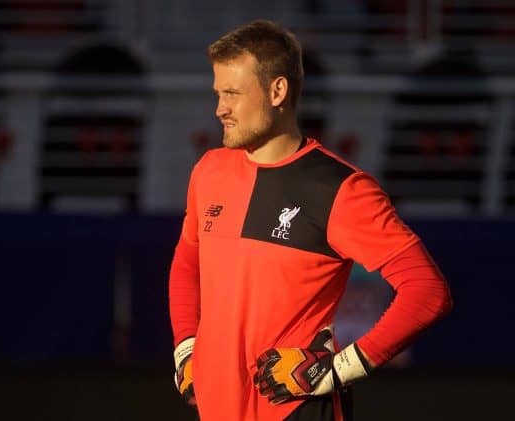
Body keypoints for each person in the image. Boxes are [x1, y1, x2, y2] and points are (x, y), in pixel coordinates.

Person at [169, 20, 453, 421]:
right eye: (218, 94)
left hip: (296, 409)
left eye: (232, 93)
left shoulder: (343, 189)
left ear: (278, 91)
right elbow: (187, 263)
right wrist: (186, 346)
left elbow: (427, 291)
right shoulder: (209, 171)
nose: (220, 109)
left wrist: (339, 369)